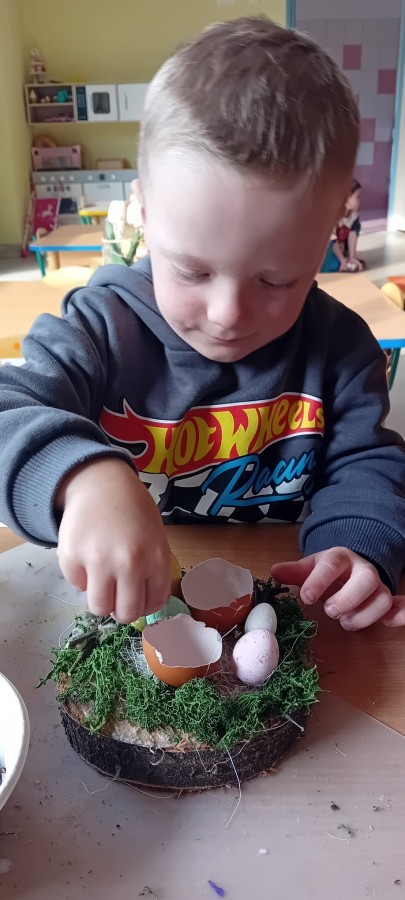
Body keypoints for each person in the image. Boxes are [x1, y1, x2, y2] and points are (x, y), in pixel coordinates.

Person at [0, 18, 404, 630]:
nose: (228, 314)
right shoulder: (99, 330)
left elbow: (367, 465)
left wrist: (359, 546)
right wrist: (80, 477)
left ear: (331, 232)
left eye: (277, 281)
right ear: (141, 212)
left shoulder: (341, 351)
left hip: (278, 605)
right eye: (191, 270)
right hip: (120, 614)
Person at [332, 179, 364, 272]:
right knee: (334, 264)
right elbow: (331, 241)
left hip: (341, 247)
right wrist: (342, 260)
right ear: (347, 199)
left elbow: (352, 235)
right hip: (330, 248)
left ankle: (346, 258)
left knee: (354, 263)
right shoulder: (333, 216)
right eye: (358, 197)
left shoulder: (353, 216)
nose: (360, 200)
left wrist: (352, 257)